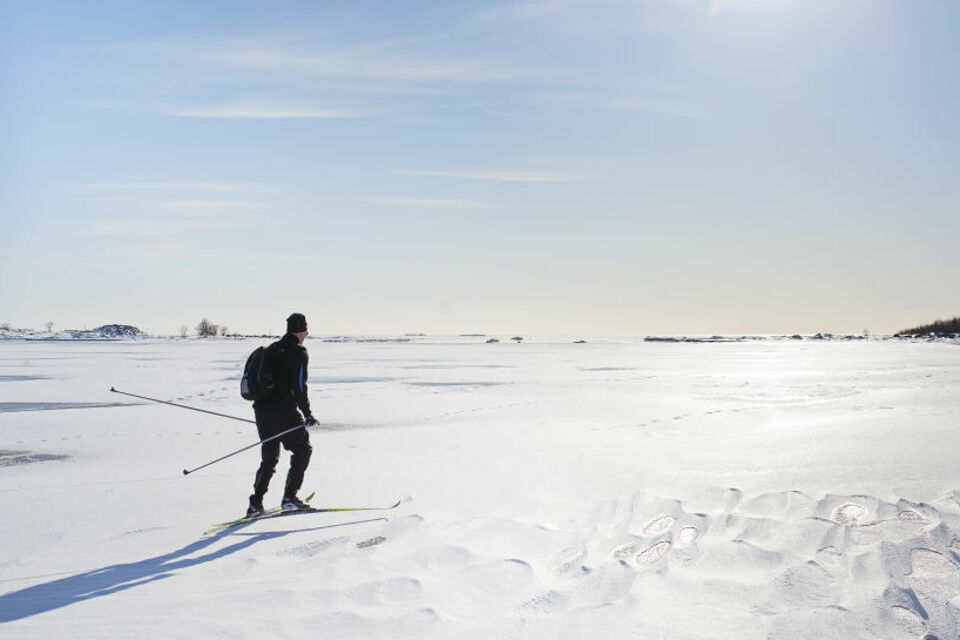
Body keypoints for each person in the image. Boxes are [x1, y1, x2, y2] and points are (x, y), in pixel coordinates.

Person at [246, 312, 319, 516]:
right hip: (283, 410)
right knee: (303, 449)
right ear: (302, 331)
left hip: (261, 410)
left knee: (269, 457)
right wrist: (307, 414)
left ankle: (255, 503)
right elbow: (299, 386)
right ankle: (290, 498)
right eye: (306, 330)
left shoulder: (272, 349)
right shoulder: (299, 352)